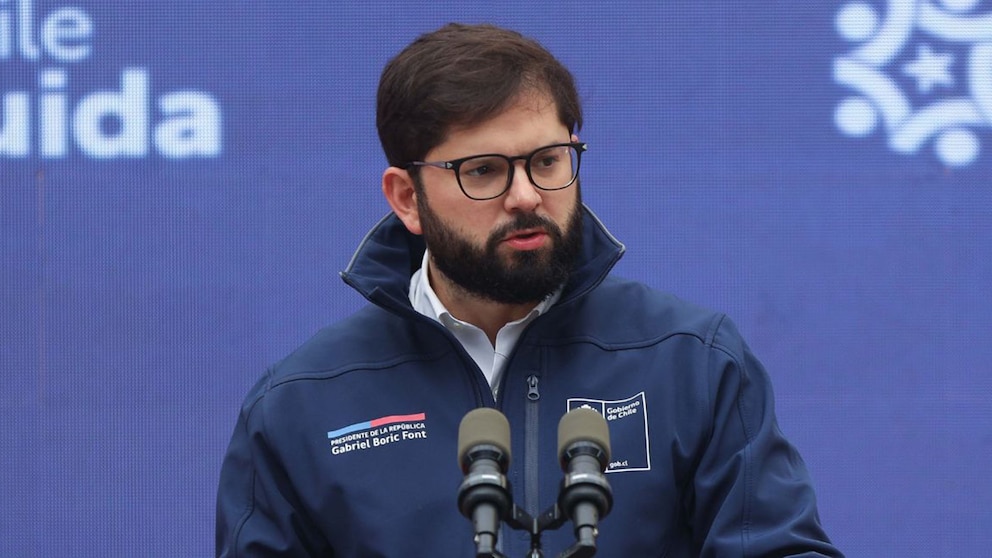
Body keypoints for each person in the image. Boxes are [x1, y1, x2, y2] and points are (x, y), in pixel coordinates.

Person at [216, 22, 842, 557]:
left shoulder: (692, 363)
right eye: (483, 171)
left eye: (547, 161)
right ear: (407, 198)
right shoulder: (302, 405)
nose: (526, 196)